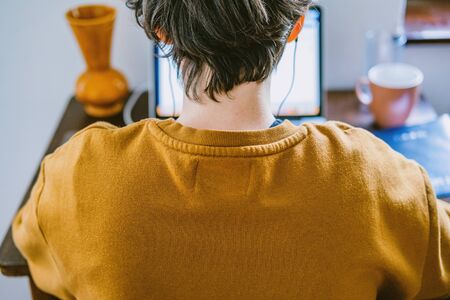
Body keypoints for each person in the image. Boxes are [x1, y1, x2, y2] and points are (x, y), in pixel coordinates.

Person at [12, 0, 450, 299]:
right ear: (295, 26)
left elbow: (31, 248)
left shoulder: (76, 173)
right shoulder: (376, 177)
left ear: (161, 31)